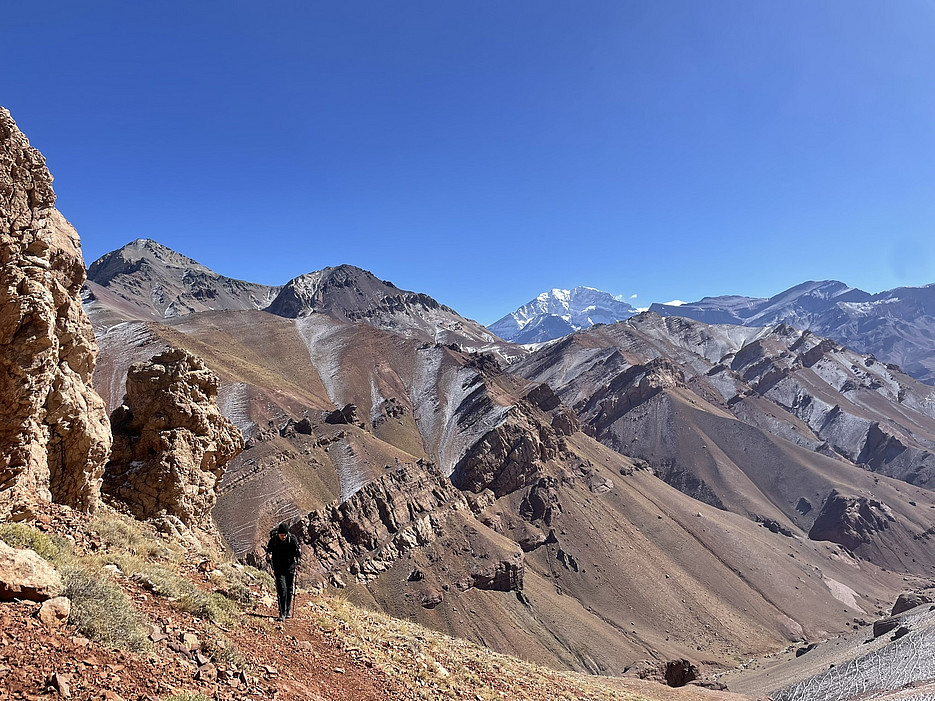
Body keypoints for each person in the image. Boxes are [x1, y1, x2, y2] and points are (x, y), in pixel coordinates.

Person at [265, 522, 301, 621]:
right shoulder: (274, 540)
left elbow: (297, 554)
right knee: (282, 589)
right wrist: (268, 557)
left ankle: (287, 610)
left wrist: (298, 553)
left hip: (290, 567)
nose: (283, 536)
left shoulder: (292, 540)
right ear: (278, 534)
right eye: (282, 535)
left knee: (289, 589)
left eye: (285, 534)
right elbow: (268, 552)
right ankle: (282, 613)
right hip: (279, 567)